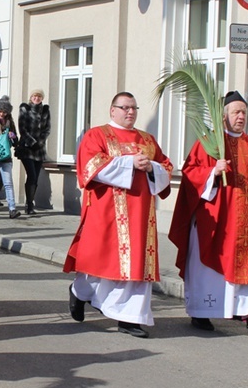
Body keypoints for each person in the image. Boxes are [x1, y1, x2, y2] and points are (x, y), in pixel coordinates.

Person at [168, 91, 248, 337]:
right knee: (209, 267)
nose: (241, 117)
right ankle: (201, 313)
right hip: (216, 218)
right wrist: (212, 171)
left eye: (244, 112)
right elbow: (190, 174)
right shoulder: (208, 143)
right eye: (236, 112)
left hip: (245, 220)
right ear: (224, 117)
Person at [64, 92, 172, 338]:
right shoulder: (98, 135)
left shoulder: (147, 139)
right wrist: (129, 163)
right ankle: (79, 292)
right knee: (100, 264)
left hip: (142, 213)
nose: (130, 112)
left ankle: (129, 319)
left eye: (134, 108)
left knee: (136, 264)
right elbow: (90, 166)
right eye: (124, 107)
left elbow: (166, 166)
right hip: (107, 212)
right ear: (113, 110)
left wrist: (151, 167)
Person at [16, 89, 51, 214]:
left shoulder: (45, 110)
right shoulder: (25, 109)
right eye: (35, 96)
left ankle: (30, 203)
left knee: (36, 178)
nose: (37, 98)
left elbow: (47, 129)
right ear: (31, 97)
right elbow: (22, 129)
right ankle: (29, 205)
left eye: (39, 96)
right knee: (31, 175)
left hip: (39, 150)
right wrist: (32, 142)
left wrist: (40, 142)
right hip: (27, 148)